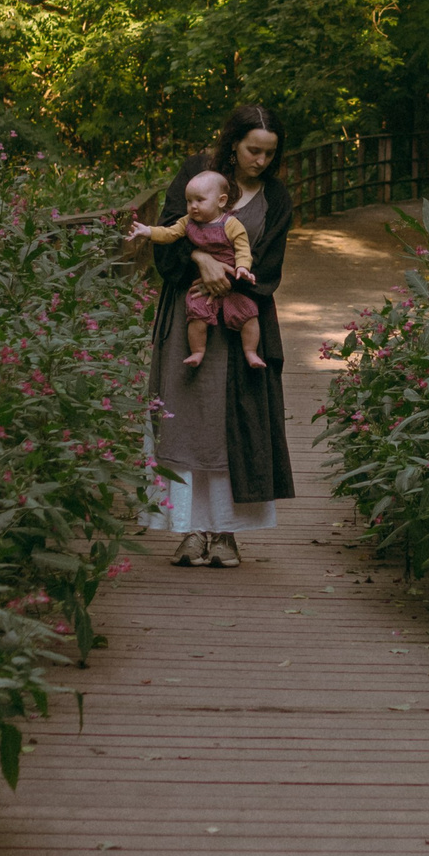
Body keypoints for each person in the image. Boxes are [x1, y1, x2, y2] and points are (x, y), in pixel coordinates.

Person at [126, 106, 295, 567]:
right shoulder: (196, 174)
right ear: (233, 143)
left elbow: (270, 264)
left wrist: (231, 280)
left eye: (269, 153)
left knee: (232, 426)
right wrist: (201, 261)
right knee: (186, 420)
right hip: (190, 317)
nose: (259, 161)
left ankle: (226, 534)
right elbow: (170, 236)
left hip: (243, 321)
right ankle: (190, 530)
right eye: (251, 150)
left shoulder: (275, 197)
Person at [129, 171, 266, 369]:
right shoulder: (187, 222)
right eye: (189, 201)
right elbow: (169, 233)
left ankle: (251, 352)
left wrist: (243, 268)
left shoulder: (231, 224)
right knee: (196, 316)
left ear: (221, 201)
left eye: (200, 200)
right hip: (202, 282)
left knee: (248, 315)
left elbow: (243, 249)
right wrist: (148, 231)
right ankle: (198, 351)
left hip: (231, 280)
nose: (193, 206)